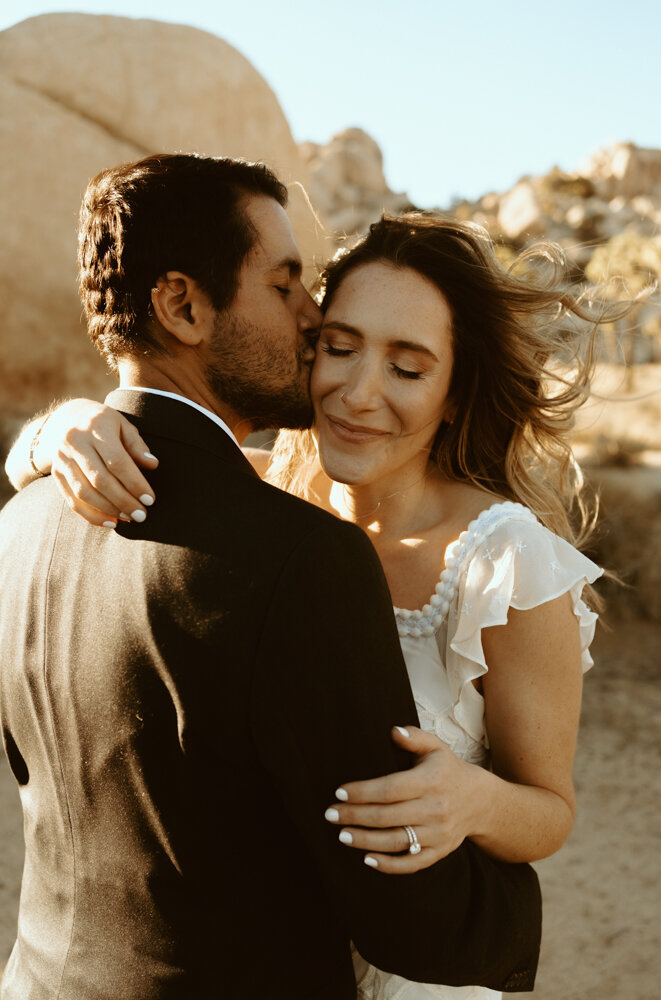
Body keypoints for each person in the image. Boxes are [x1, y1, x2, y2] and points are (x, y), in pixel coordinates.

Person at [7, 202, 611, 1000]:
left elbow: (550, 811)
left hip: (418, 974)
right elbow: (122, 438)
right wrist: (57, 428)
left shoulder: (508, 566)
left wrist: (476, 800)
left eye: (407, 366)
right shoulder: (260, 500)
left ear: (455, 393)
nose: (358, 394)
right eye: (338, 347)